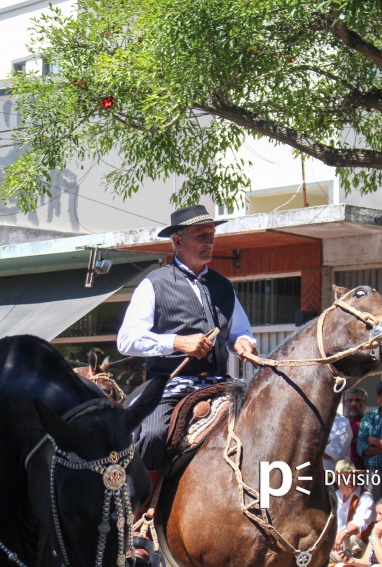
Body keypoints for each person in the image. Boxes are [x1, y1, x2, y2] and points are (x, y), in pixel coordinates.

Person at [117, 204, 258, 563]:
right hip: (170, 384)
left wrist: (243, 343)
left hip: (220, 383)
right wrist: (176, 343)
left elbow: (240, 329)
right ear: (177, 241)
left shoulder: (223, 286)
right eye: (201, 237)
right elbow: (127, 340)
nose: (209, 242)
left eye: (212, 236)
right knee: (149, 434)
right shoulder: (154, 283)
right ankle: (135, 519)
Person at [331, 459, 377, 564]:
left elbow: (359, 522)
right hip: (337, 542)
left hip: (357, 544)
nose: (350, 481)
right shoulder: (334, 496)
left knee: (350, 539)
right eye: (345, 478)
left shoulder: (365, 497)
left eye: (352, 477)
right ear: (337, 481)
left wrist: (343, 533)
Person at [345, 387, 368, 469]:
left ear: (364, 404)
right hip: (340, 475)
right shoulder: (338, 424)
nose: (353, 404)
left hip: (364, 473)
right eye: (350, 400)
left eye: (358, 400)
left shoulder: (370, 424)